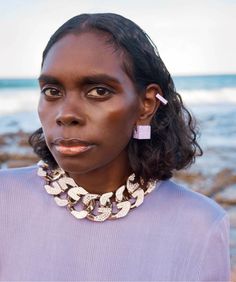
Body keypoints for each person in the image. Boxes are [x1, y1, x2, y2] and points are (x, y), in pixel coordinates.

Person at [0, 13, 230, 281]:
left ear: (146, 105)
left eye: (98, 91)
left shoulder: (200, 224)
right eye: (52, 91)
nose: (66, 114)